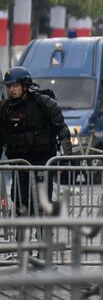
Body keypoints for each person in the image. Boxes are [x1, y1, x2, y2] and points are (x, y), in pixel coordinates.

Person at [0, 67, 72, 217]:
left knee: (41, 201)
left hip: (42, 161)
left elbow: (63, 131)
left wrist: (66, 160)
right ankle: (21, 237)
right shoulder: (4, 108)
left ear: (25, 86)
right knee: (20, 200)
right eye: (8, 86)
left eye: (15, 86)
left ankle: (43, 236)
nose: (11, 90)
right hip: (19, 162)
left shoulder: (43, 103)